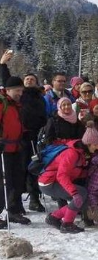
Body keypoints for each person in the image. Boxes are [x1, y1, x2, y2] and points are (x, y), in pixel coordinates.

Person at [0, 51, 47, 212]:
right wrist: (3, 65)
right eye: (27, 79)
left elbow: (44, 116)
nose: (29, 81)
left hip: (32, 138)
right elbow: (8, 81)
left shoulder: (39, 98)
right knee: (13, 175)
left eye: (32, 79)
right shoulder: (14, 99)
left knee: (30, 170)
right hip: (14, 141)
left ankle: (29, 200)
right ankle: (13, 206)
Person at [40, 124, 98, 234]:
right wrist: (74, 193)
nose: (97, 147)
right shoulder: (72, 153)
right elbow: (62, 175)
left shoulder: (82, 152)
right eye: (95, 144)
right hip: (48, 182)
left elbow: (76, 171)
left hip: (56, 181)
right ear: (88, 143)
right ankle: (67, 224)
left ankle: (54, 217)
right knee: (80, 194)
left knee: (84, 200)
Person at [0, 76, 32, 226]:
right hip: (3, 149)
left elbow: (16, 123)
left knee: (17, 181)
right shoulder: (2, 103)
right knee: (3, 183)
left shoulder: (16, 104)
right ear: (8, 90)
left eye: (21, 90)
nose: (20, 93)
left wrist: (25, 133)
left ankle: (13, 211)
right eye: (17, 90)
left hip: (16, 147)